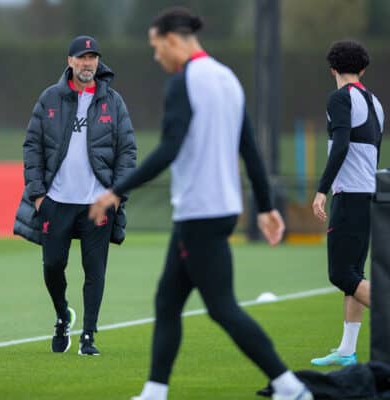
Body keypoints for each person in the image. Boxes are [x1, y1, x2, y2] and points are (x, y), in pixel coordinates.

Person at [90, 8, 312, 400]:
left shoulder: (184, 82)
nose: (157, 57)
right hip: (218, 210)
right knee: (168, 301)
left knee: (222, 307)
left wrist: (115, 190)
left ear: (172, 40)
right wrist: (265, 207)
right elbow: (251, 150)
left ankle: (289, 385)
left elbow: (169, 150)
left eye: (157, 48)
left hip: (200, 212)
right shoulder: (228, 78)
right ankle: (155, 391)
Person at [14, 35, 137, 355]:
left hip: (98, 203)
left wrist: (117, 196)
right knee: (53, 265)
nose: (88, 63)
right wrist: (38, 195)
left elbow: (127, 151)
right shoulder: (50, 98)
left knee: (95, 270)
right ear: (70, 61)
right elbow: (32, 147)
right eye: (82, 58)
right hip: (56, 202)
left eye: (93, 57)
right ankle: (61, 315)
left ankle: (88, 337)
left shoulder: (113, 101)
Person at [311, 40, 384, 367]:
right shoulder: (376, 102)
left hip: (350, 196)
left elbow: (340, 146)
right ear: (363, 69)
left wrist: (322, 189)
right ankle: (346, 351)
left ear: (332, 70)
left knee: (341, 275)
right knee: (355, 272)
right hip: (370, 195)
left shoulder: (340, 98)